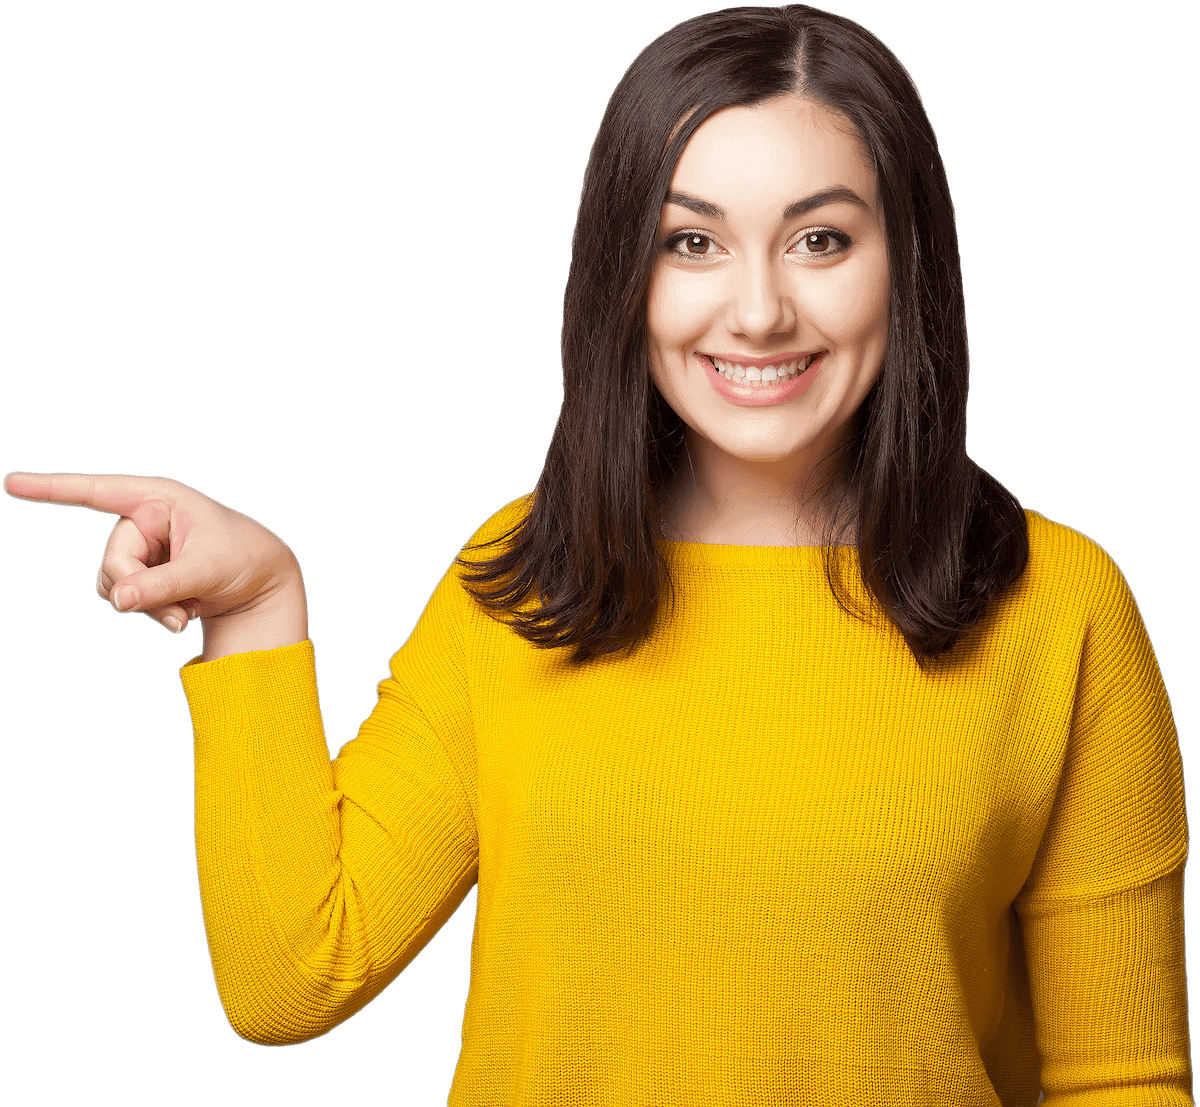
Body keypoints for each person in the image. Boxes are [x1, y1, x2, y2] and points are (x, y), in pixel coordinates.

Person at [4, 4, 1191, 1103]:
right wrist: (257, 612)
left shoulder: (1059, 606)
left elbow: (1119, 1083)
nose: (761, 310)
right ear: (623, 275)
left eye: (822, 239)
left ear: (908, 263)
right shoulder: (525, 575)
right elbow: (292, 976)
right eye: (692, 243)